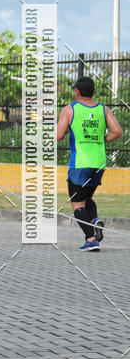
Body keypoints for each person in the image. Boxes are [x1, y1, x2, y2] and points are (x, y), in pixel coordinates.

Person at [56, 76, 122, 251]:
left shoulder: (69, 109)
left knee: (77, 203)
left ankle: (91, 239)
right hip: (99, 163)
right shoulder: (103, 109)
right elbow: (117, 131)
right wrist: (101, 141)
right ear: (91, 92)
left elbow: (58, 135)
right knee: (87, 198)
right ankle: (94, 220)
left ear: (77, 92)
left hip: (80, 163)